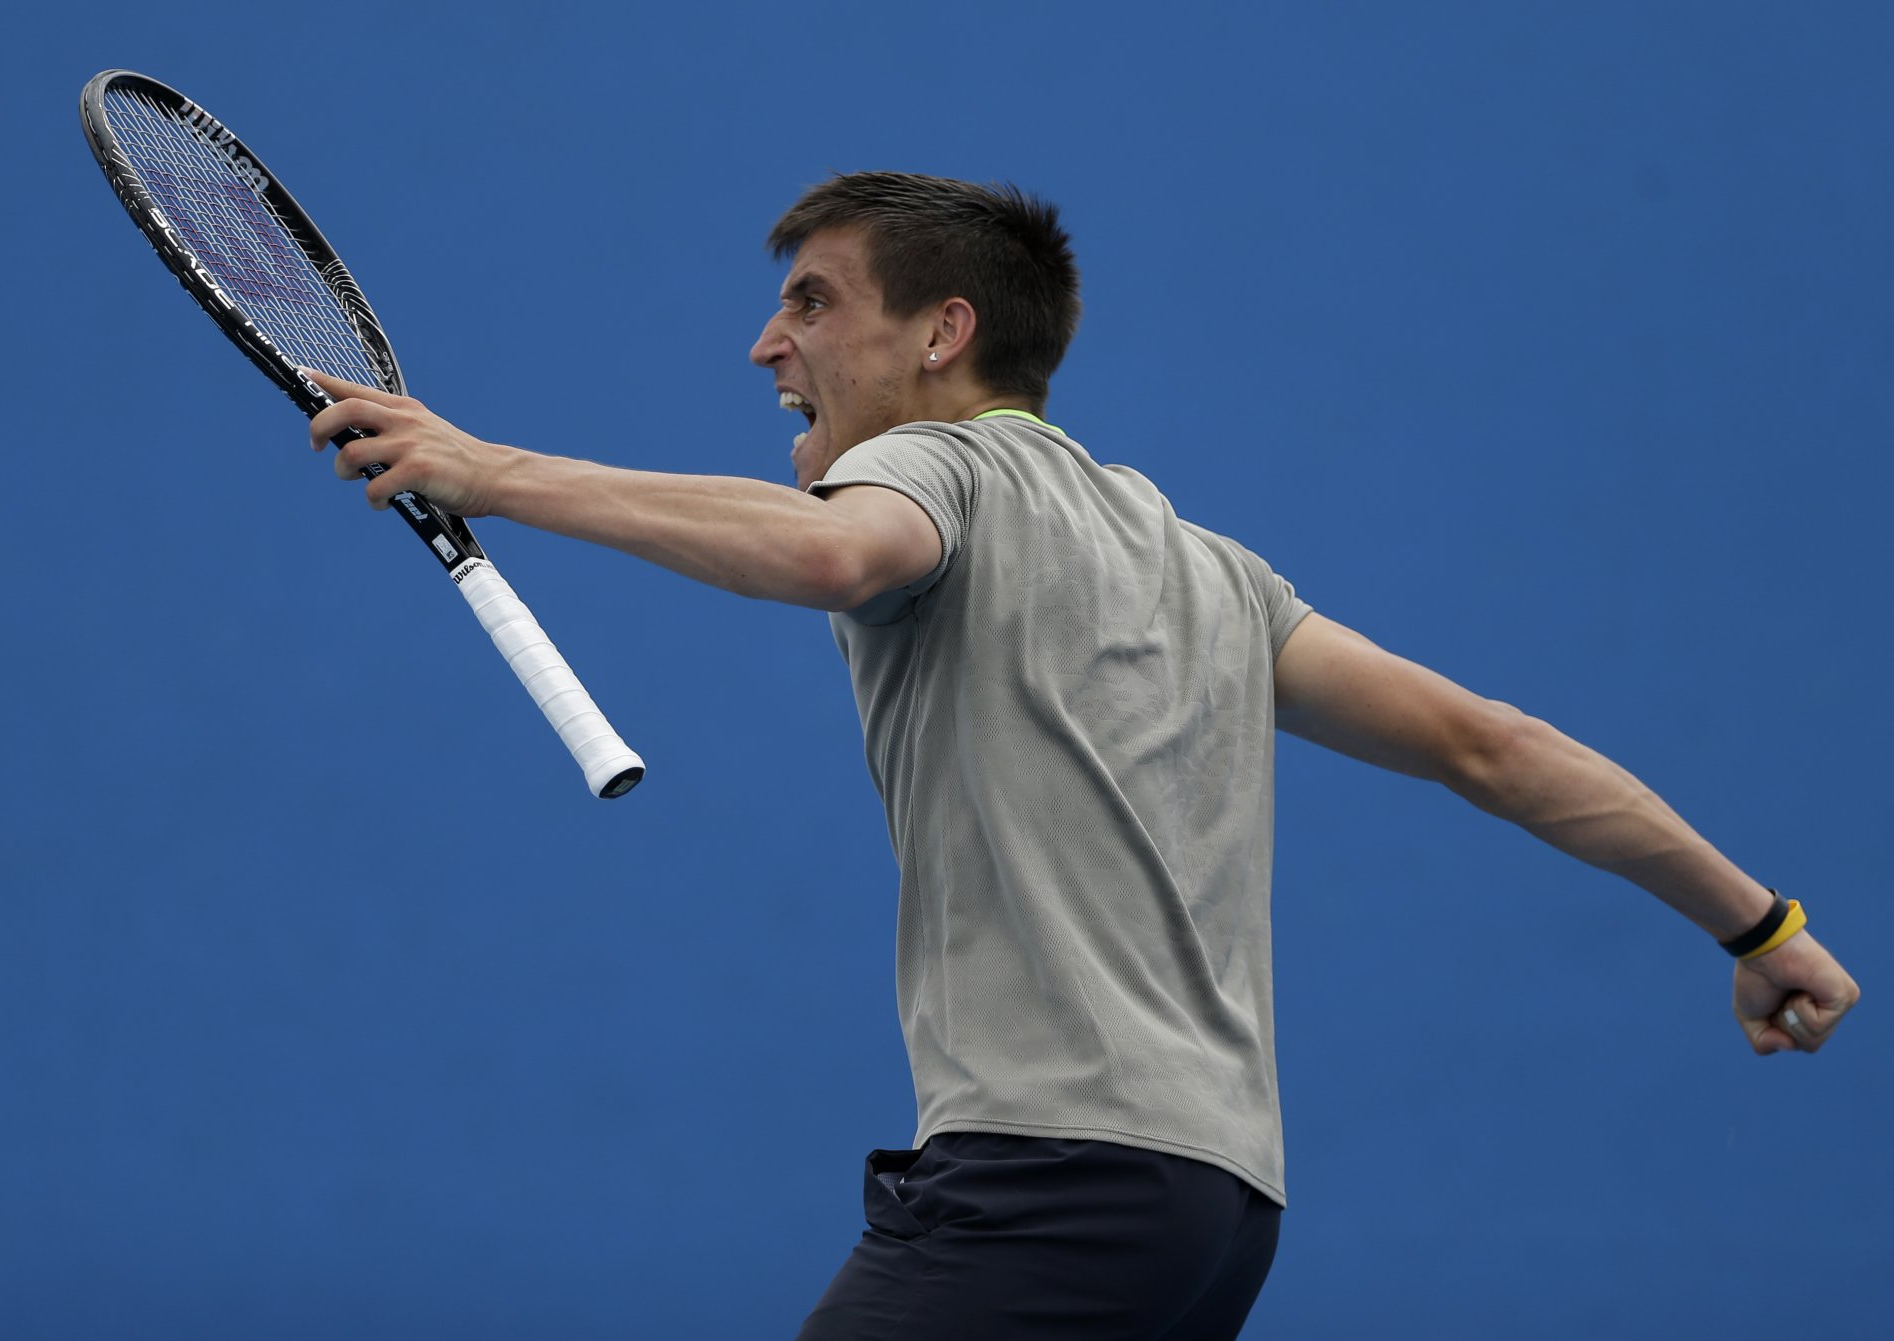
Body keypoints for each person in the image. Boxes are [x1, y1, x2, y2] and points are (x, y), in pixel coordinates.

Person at [301, 172, 1860, 1339]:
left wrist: (490, 468)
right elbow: (1490, 745)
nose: (767, 340)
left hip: (1045, 1187)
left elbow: (836, 554)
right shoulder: (1212, 572)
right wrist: (1761, 924)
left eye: (815, 302)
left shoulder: (933, 468)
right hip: (1215, 1217)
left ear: (944, 335)